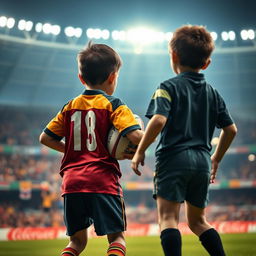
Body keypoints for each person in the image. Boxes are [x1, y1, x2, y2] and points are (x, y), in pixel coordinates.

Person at [131, 25, 237, 256]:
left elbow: (158, 121)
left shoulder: (167, 87)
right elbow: (231, 130)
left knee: (168, 218)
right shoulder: (213, 92)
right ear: (206, 63)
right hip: (202, 161)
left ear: (173, 55)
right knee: (198, 222)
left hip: (173, 158)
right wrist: (216, 158)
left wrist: (140, 151)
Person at [39, 42, 143, 256]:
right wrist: (145, 135)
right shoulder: (114, 104)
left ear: (81, 78)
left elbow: (45, 138)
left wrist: (75, 151)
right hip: (102, 180)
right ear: (113, 77)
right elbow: (135, 136)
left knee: (76, 243)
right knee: (117, 238)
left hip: (72, 183)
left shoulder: (69, 106)